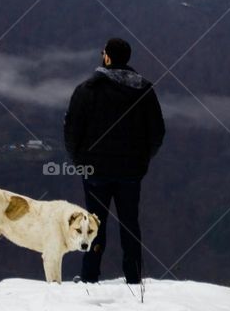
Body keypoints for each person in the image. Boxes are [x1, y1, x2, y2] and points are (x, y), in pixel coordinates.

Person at [63, 37, 165, 284]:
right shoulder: (144, 91)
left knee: (93, 223)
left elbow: (71, 131)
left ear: (106, 57)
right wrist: (143, 161)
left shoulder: (87, 90)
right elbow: (157, 132)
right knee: (130, 223)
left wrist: (80, 161)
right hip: (131, 171)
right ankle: (133, 277)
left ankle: (89, 277)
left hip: (95, 171)